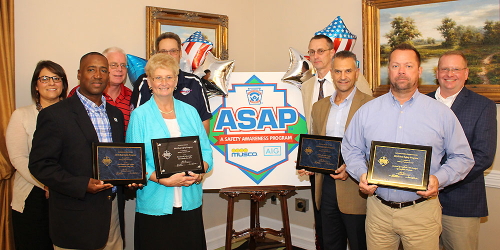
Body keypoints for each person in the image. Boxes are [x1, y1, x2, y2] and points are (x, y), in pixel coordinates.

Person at [341, 44, 475, 249]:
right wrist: (360, 173)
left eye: (408, 66)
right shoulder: (367, 111)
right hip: (378, 212)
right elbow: (351, 148)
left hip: (421, 213)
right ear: (388, 70)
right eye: (395, 65)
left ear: (419, 71)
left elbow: (463, 157)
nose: (401, 71)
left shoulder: (441, 114)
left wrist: (439, 179)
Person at [29, 52, 126, 250]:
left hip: (112, 214)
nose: (98, 75)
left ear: (108, 76)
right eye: (91, 69)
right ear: (79, 74)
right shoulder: (55, 115)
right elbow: (40, 165)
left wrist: (130, 178)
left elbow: (119, 158)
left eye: (103, 70)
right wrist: (82, 184)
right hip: (75, 217)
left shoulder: (115, 114)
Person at [126, 53, 212, 250]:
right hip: (154, 203)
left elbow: (205, 151)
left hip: (189, 200)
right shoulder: (140, 116)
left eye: (168, 77)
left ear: (176, 81)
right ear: (149, 82)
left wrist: (201, 171)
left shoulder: (190, 112)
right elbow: (133, 161)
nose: (163, 82)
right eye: (158, 77)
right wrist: (159, 178)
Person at [300, 51, 373, 250]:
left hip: (356, 187)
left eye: (348, 71)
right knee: (330, 243)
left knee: (360, 243)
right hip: (326, 187)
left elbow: (376, 150)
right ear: (331, 73)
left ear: (357, 73)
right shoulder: (319, 107)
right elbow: (316, 144)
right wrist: (310, 164)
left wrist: (352, 167)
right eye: (338, 71)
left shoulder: (371, 105)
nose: (343, 76)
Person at [427, 51, 497, 250]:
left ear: (466, 74)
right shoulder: (420, 102)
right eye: (445, 69)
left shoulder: (483, 106)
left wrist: (441, 180)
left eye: (456, 69)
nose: (450, 74)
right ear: (437, 72)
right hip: (419, 201)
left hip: (460, 201)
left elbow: (483, 156)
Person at [6, 60, 68, 250]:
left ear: (64, 84)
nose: (51, 83)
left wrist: (61, 184)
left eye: (56, 78)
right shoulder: (21, 115)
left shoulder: (73, 116)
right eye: (45, 78)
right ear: (36, 85)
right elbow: (18, 158)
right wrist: (46, 183)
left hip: (66, 194)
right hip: (32, 195)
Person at [130, 32, 212, 134]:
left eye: (173, 51)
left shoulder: (194, 82)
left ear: (180, 53)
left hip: (189, 148)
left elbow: (204, 121)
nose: (169, 56)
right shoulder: (145, 81)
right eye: (164, 51)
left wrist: (199, 148)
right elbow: (136, 122)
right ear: (157, 54)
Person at [299, 34, 336, 249]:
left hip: (345, 162)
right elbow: (309, 126)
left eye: (321, 51)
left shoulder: (351, 80)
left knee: (348, 220)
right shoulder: (306, 85)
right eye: (311, 52)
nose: (315, 56)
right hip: (317, 162)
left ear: (332, 52)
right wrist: (308, 158)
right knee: (322, 218)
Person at [68, 47, 132, 131]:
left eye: (123, 65)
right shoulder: (81, 92)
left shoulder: (132, 96)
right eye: (113, 65)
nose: (119, 69)